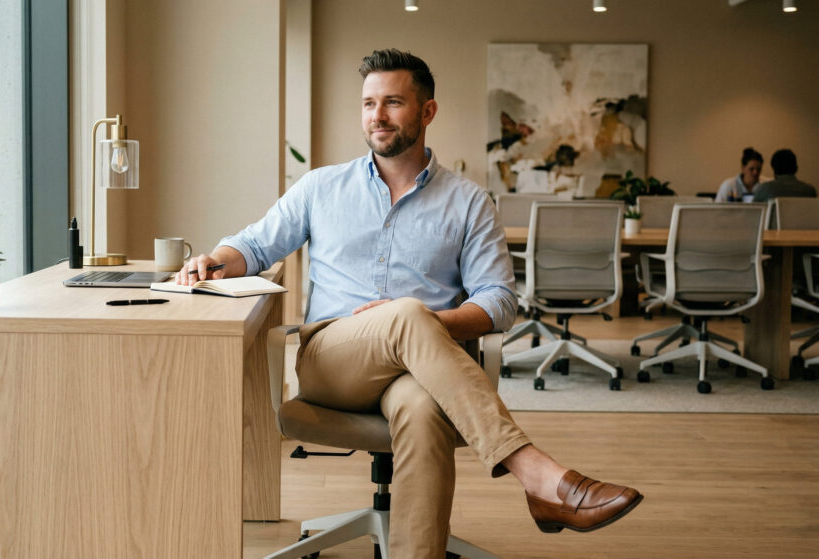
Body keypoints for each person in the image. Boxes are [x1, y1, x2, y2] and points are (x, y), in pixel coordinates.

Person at [179, 49, 642, 558]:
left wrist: (430, 321)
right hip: (333, 362)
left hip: (424, 374)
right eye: (368, 103)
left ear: (427, 112)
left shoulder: (468, 202)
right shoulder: (321, 187)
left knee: (421, 406)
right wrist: (215, 260)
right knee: (405, 313)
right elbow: (255, 245)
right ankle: (535, 472)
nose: (376, 116)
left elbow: (500, 301)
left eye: (393, 102)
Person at [752, 149, 817, 202]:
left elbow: (753, 213)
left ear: (774, 169)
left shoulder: (764, 189)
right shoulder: (810, 191)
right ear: (796, 168)